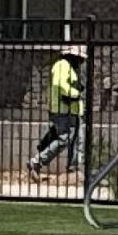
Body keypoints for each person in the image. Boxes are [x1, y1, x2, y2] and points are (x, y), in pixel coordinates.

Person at [28, 41, 86, 175]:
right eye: (80, 58)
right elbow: (60, 85)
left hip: (72, 110)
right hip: (62, 110)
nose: (82, 61)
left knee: (77, 140)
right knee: (63, 139)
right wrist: (75, 93)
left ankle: (73, 168)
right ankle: (37, 161)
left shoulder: (71, 67)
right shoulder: (62, 65)